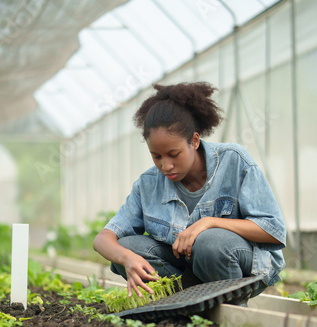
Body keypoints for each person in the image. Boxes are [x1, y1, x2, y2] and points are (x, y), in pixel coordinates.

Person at [93, 82, 286, 300]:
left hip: (242, 264)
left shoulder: (233, 160)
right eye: (157, 156)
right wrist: (126, 258)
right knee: (127, 246)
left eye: (174, 154)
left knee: (209, 242)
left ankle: (230, 308)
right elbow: (103, 239)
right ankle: (185, 301)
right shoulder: (148, 183)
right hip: (190, 271)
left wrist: (209, 222)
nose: (165, 166)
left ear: (194, 141)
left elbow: (273, 231)